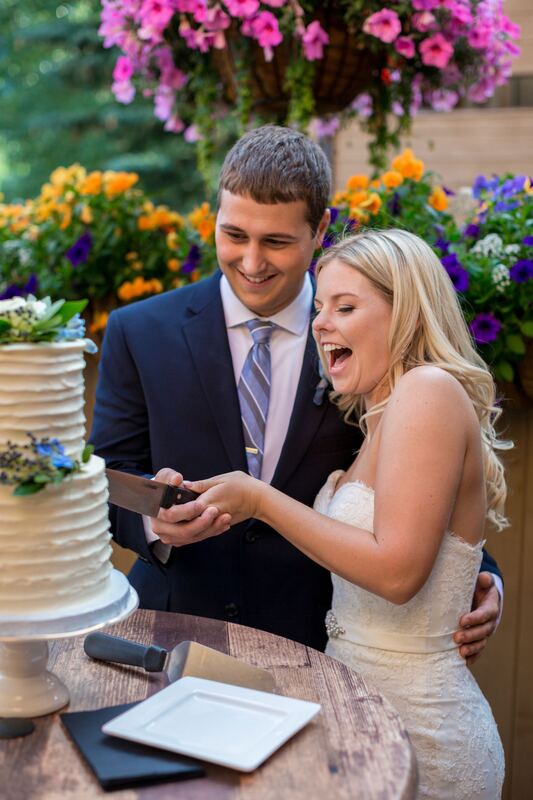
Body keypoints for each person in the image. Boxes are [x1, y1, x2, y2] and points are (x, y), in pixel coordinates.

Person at [91, 124, 502, 659]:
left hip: (318, 643)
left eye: (277, 242)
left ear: (320, 229)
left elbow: (429, 478)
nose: (252, 262)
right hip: (171, 635)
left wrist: (479, 577)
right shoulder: (138, 330)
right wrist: (153, 520)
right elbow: (104, 480)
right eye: (234, 235)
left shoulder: (366, 337)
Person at [184, 228, 508, 798]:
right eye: (320, 307)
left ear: (404, 313)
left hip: (422, 731)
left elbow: (398, 573)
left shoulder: (427, 391)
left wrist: (259, 499)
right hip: (362, 714)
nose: (320, 323)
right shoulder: (379, 417)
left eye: (346, 307)